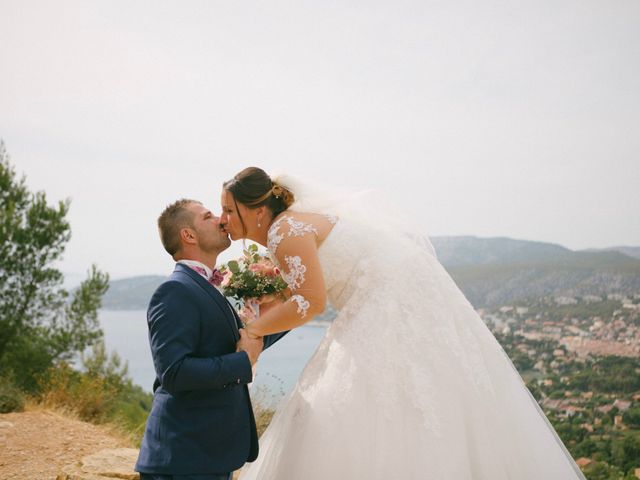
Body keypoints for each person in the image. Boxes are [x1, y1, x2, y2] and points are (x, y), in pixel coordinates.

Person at [219, 167, 587, 480]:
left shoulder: (285, 232)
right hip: (396, 290)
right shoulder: (286, 229)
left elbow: (310, 302)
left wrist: (252, 331)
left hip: (385, 300)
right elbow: (304, 291)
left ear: (255, 210)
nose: (223, 220)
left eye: (228, 210)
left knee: (368, 397)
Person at [135, 199, 287, 480]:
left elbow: (246, 341)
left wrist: (295, 306)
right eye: (207, 216)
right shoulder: (175, 290)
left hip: (207, 455)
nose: (220, 219)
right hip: (184, 457)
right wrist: (243, 361)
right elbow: (174, 372)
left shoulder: (209, 286)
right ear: (188, 235)